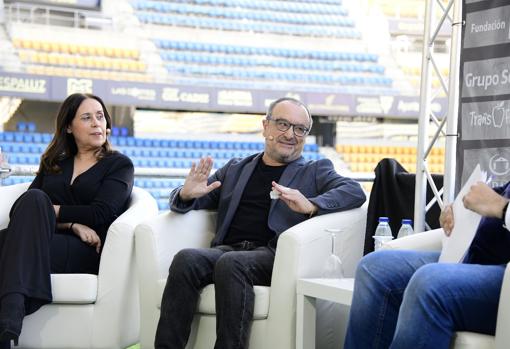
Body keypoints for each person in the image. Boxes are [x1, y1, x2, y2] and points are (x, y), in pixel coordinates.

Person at [155, 97, 366, 349]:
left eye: (300, 129)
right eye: (282, 124)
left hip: (273, 255)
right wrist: (186, 193)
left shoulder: (315, 170)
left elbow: (354, 191)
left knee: (231, 264)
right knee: (186, 258)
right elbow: (193, 197)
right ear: (265, 126)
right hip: (228, 250)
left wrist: (312, 204)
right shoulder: (235, 168)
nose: (291, 134)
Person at [0, 93, 134, 348]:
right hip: (45, 240)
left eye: (100, 116)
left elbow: (100, 213)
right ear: (69, 128)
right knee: (35, 200)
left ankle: (9, 323)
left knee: (13, 237)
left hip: (85, 250)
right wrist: (70, 223)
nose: (97, 123)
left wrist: (54, 211)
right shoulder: (54, 163)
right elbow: (22, 207)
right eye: (87, 117)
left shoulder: (119, 164)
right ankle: (9, 321)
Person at [344, 180, 510, 349]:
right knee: (374, 268)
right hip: (482, 255)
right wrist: (462, 206)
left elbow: (499, 204)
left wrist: (501, 207)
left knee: (429, 282)